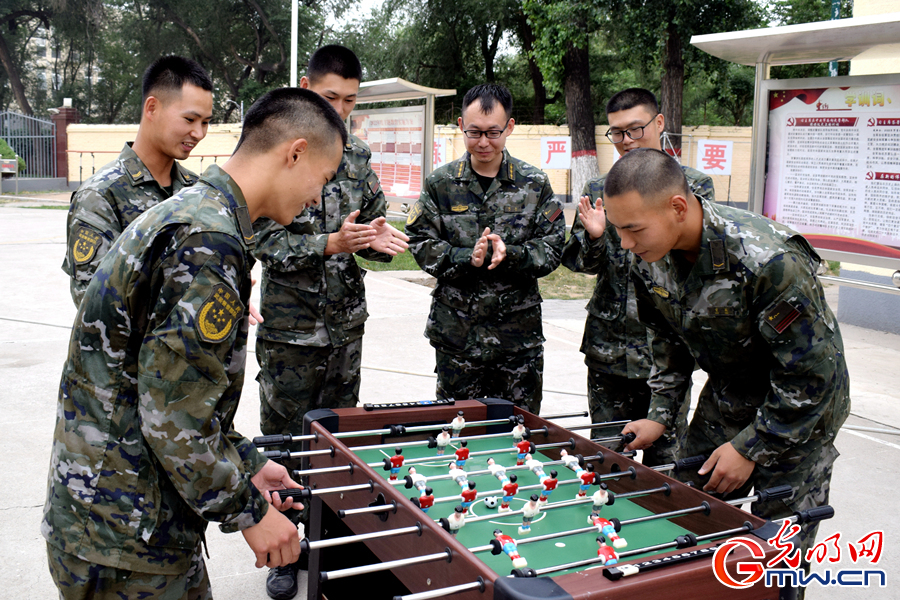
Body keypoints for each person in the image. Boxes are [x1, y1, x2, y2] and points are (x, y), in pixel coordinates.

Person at [42, 87, 347, 599]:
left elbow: (165, 387)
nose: (318, 197)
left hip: (108, 519)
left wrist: (248, 463)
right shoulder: (208, 241)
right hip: (126, 539)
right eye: (322, 177)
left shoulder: (196, 210)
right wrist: (250, 515)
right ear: (294, 153)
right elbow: (172, 418)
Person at [608, 149, 849, 559]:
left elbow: (812, 379)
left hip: (799, 420)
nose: (625, 244)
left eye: (633, 229)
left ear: (678, 207)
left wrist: (749, 448)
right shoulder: (648, 258)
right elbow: (667, 342)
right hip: (729, 398)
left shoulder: (769, 261)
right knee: (686, 522)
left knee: (774, 557)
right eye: (618, 230)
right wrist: (660, 414)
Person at [251, 45, 408, 598]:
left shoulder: (358, 156)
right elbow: (261, 236)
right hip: (290, 333)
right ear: (305, 86)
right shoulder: (276, 148)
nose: (339, 110)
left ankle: (334, 544)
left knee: (337, 445)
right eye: (329, 98)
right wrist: (328, 243)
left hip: (345, 329)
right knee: (285, 445)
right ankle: (283, 551)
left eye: (349, 100)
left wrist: (379, 244)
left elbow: (370, 228)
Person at [561, 88, 714, 466]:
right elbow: (578, 262)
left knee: (665, 465)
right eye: (616, 133)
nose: (626, 141)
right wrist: (595, 237)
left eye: (635, 129)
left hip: (667, 353)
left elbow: (703, 266)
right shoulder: (599, 189)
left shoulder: (692, 187)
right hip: (609, 348)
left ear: (659, 123)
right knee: (605, 460)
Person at [406, 83, 565, 415]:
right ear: (461, 126)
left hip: (516, 340)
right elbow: (420, 242)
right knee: (457, 431)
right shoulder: (441, 184)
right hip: (458, 338)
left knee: (520, 433)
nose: (483, 142)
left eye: (493, 133)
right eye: (474, 132)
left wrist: (514, 255)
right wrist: (466, 258)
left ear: (509, 127)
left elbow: (552, 246)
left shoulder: (533, 183)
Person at [62, 55, 213, 306]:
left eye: (206, 122)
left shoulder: (197, 189)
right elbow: (93, 299)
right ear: (152, 108)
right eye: (190, 119)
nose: (198, 133)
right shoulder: (101, 195)